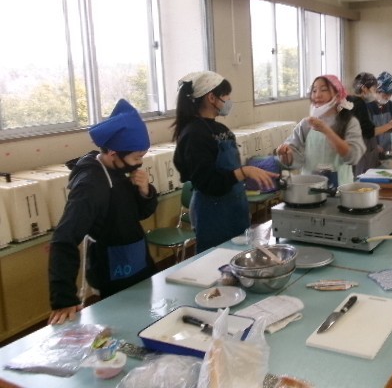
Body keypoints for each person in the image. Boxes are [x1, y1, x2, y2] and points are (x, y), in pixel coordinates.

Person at [48, 100, 158, 325]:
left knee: (145, 319)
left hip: (138, 260)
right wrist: (63, 298)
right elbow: (63, 239)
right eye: (136, 157)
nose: (139, 163)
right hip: (112, 269)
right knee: (122, 325)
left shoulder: (120, 170)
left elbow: (139, 214)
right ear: (113, 153)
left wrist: (145, 191)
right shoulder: (91, 185)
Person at [172, 71, 278, 253]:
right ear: (212, 98)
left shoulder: (220, 129)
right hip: (212, 214)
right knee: (215, 261)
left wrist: (247, 176)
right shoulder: (194, 134)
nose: (230, 100)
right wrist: (244, 172)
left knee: (238, 258)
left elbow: (230, 171)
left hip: (234, 208)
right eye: (226, 95)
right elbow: (207, 182)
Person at [276, 75, 366, 186]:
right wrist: (286, 154)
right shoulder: (306, 124)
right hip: (309, 188)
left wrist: (326, 131)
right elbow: (295, 156)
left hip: (341, 188)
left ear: (337, 95)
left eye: (324, 90)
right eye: (314, 91)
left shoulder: (349, 123)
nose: (317, 95)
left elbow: (353, 157)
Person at [347, 72, 392, 175]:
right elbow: (369, 132)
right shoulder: (360, 104)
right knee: (363, 177)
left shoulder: (352, 101)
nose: (375, 93)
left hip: (366, 151)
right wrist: (390, 125)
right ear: (364, 88)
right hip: (364, 152)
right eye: (375, 90)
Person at [369, 71, 392, 155]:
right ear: (377, 91)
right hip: (372, 150)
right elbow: (368, 133)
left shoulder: (391, 106)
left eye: (390, 95)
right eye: (384, 95)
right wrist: (374, 145)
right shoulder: (367, 106)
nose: (387, 97)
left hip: (387, 150)